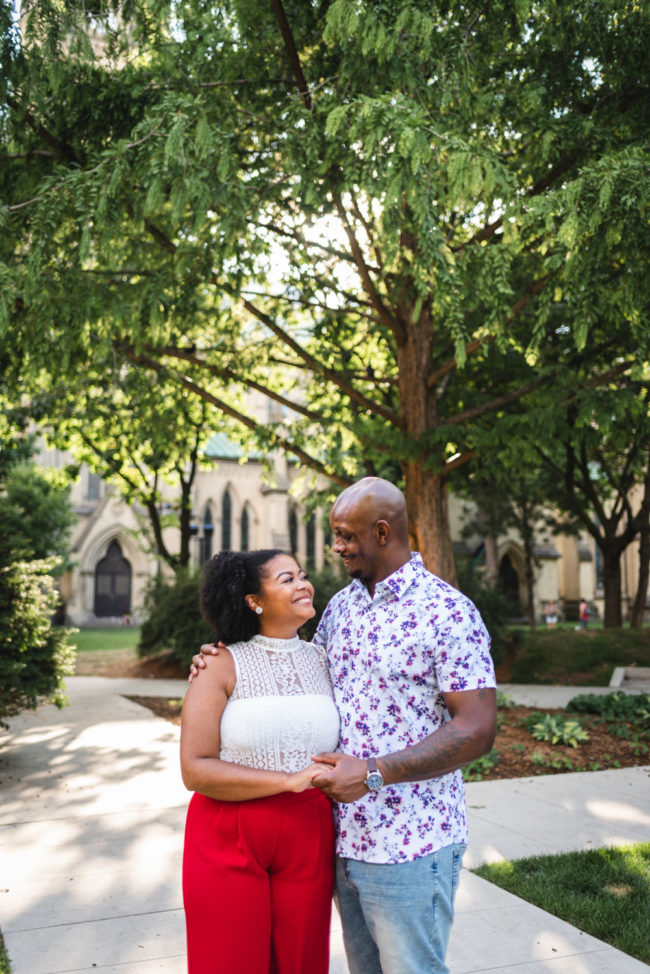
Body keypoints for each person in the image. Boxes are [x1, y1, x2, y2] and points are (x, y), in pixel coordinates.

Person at [191, 478, 497, 974]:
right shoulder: (342, 607)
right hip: (341, 842)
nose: (336, 547)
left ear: (381, 532)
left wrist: (373, 772)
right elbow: (284, 663)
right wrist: (218, 653)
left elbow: (478, 730)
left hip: (410, 845)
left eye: (345, 535)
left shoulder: (447, 612)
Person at [181, 548, 340, 974]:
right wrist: (286, 781)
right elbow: (194, 768)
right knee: (230, 961)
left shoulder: (326, 660)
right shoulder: (218, 664)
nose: (304, 584)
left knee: (302, 962)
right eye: (287, 579)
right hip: (228, 831)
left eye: (302, 575)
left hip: (310, 830)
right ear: (254, 600)